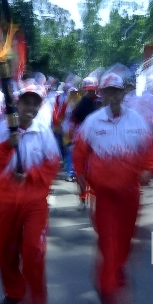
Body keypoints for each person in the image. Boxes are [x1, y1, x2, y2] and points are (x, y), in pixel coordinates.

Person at [73, 72, 153, 304]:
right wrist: (79, 173)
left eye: (116, 91)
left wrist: (149, 170)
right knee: (107, 240)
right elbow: (80, 151)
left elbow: (149, 151)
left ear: (123, 93)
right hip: (105, 194)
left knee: (125, 238)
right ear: (102, 94)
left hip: (130, 192)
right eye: (107, 91)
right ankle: (107, 288)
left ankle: (117, 267)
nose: (112, 96)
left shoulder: (136, 121)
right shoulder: (93, 122)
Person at [0, 80, 60, 304]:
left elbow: (53, 164)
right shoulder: (2, 127)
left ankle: (36, 302)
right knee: (5, 254)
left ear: (39, 107)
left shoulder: (43, 130)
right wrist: (8, 144)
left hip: (34, 203)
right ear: (18, 103)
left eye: (35, 103)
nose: (30, 107)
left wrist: (29, 176)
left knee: (33, 251)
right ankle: (14, 293)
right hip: (5, 202)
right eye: (26, 102)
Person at [70, 77, 101, 208]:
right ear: (84, 90)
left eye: (93, 90)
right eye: (89, 91)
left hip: (98, 141)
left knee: (97, 169)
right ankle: (83, 197)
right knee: (81, 170)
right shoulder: (80, 103)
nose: (91, 93)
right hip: (83, 140)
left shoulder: (101, 103)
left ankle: (97, 196)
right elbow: (73, 121)